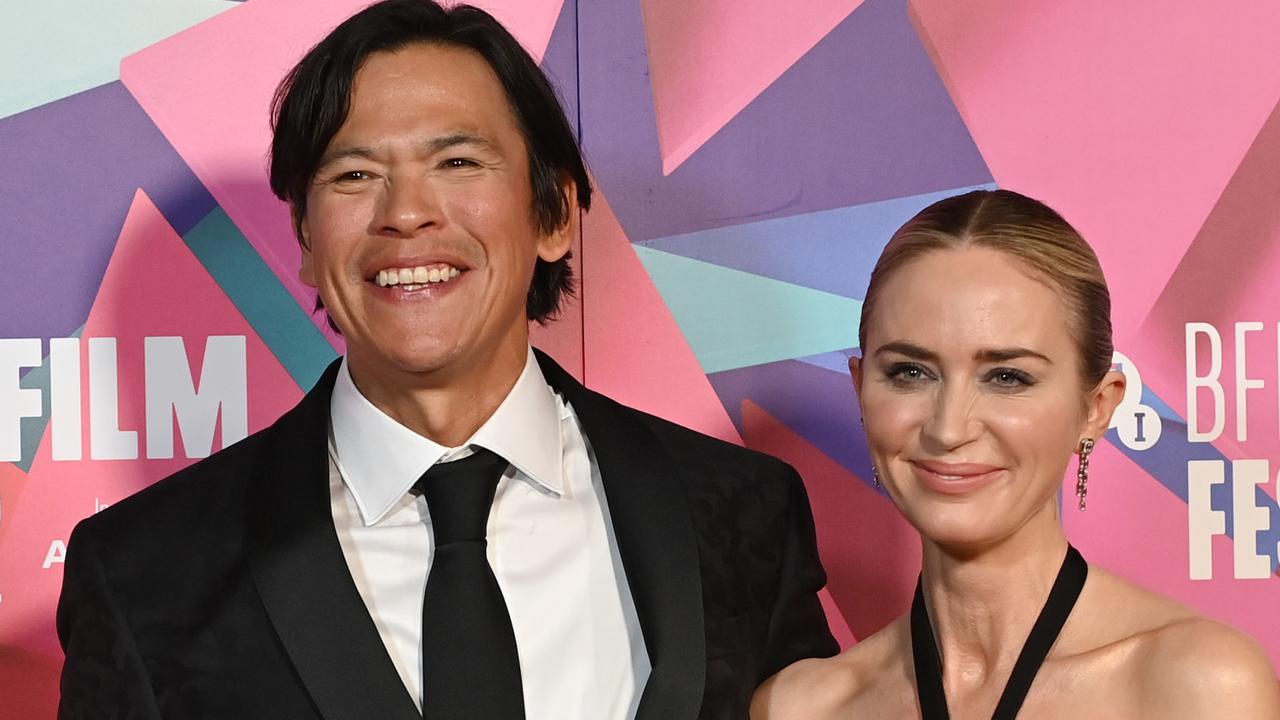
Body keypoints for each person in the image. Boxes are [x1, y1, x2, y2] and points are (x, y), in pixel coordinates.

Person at [55, 2, 838, 718]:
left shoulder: (743, 515)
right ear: (303, 240)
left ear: (556, 214)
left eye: (458, 163)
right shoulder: (145, 572)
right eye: (355, 175)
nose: (405, 214)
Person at [751, 189, 1280, 719]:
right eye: (910, 372)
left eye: (1007, 376)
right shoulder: (800, 708)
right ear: (862, 389)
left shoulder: (1197, 686)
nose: (948, 427)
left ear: (1097, 407)